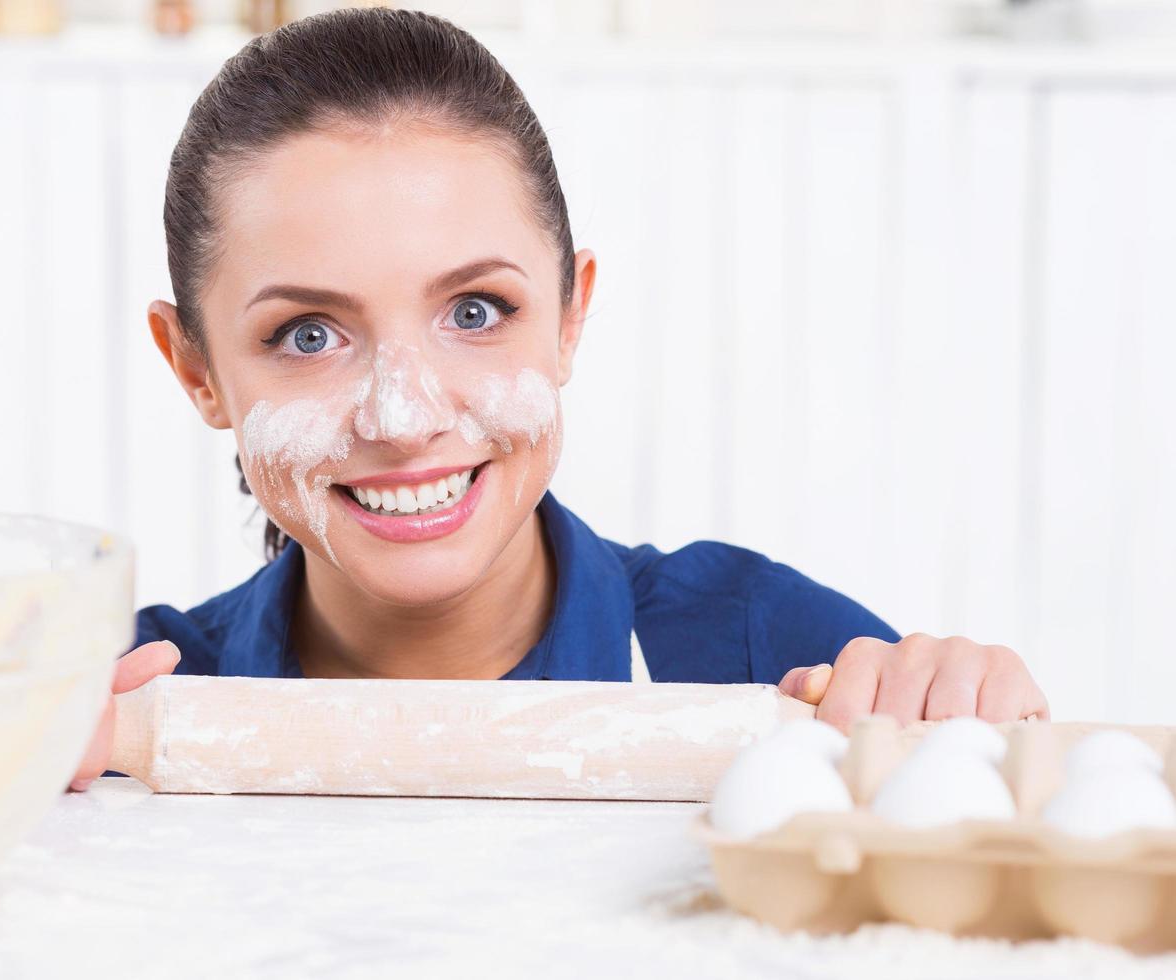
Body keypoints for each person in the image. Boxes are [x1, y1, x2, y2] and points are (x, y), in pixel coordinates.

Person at [70, 7, 1047, 791]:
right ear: (194, 367)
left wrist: (984, 742)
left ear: (569, 315)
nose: (403, 416)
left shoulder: (765, 649)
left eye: (475, 309)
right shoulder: (105, 709)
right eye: (308, 335)